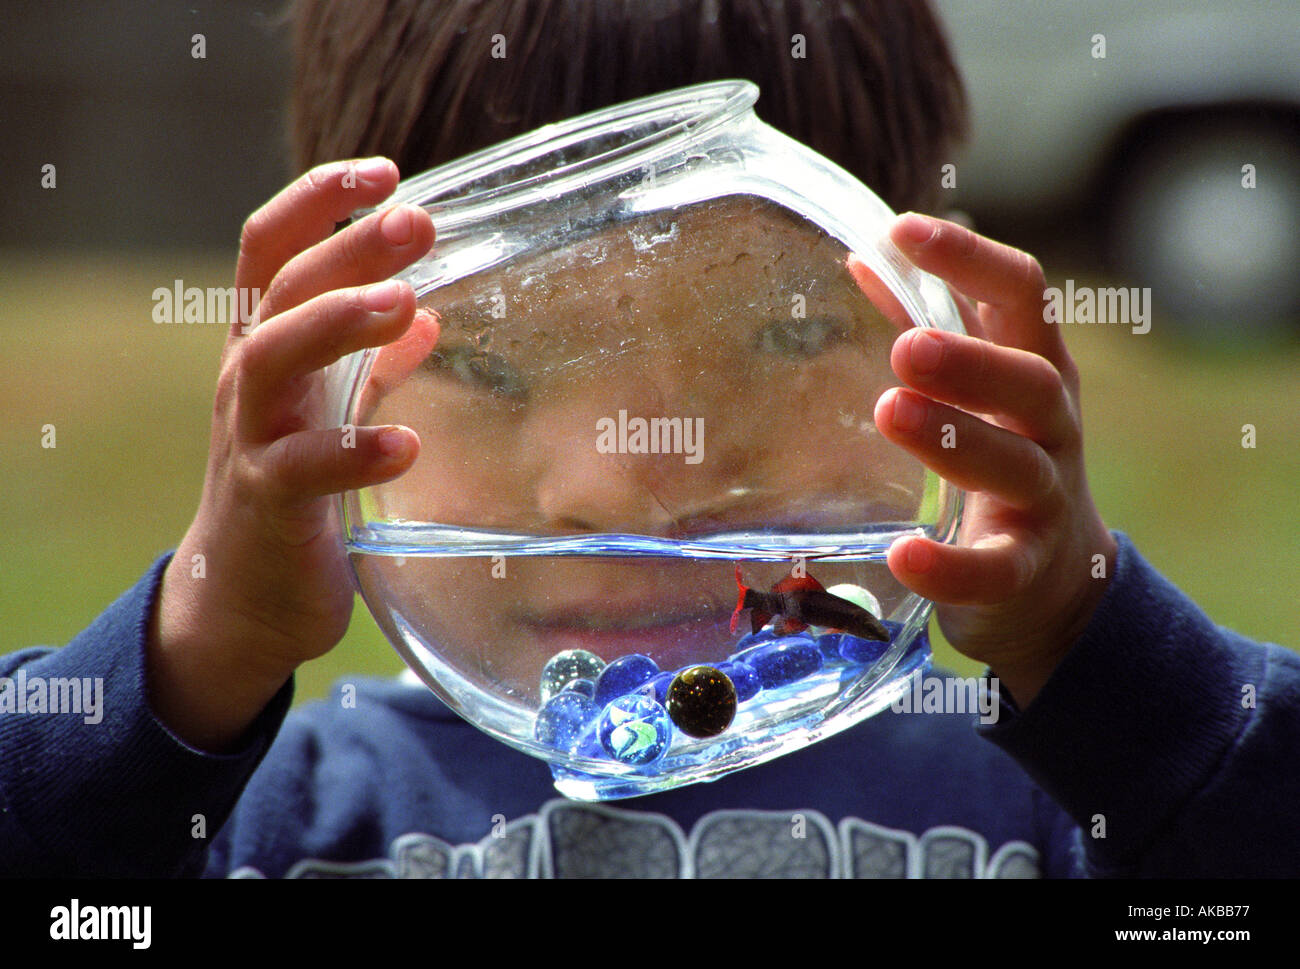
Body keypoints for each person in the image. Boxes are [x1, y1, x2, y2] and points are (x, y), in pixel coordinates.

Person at [3, 0, 1297, 878]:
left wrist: (1098, 648)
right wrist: (194, 649)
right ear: (342, 389)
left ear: (940, 333)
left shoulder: (1074, 809)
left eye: (781, 341)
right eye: (492, 366)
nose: (626, 479)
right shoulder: (263, 822)